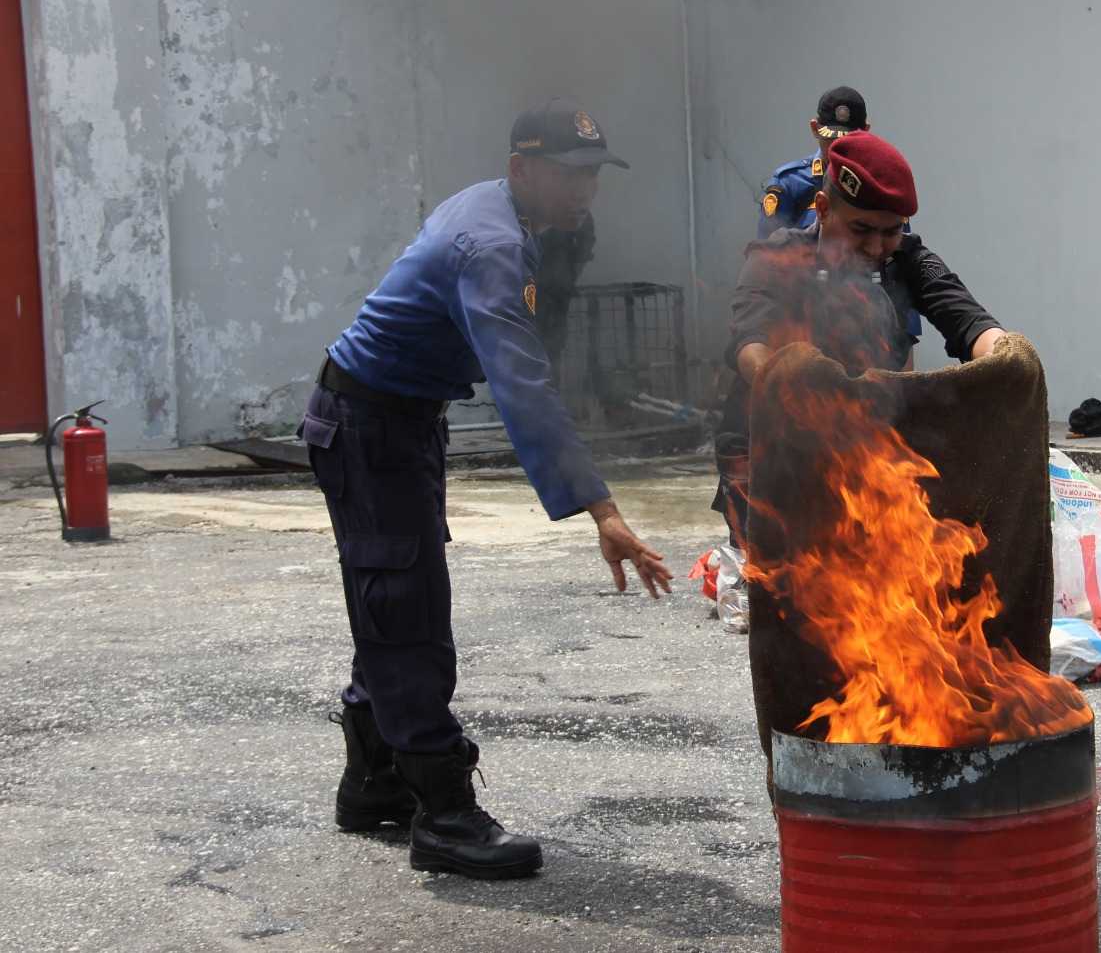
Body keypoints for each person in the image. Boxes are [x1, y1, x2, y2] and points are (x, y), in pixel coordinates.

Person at [299, 98, 674, 881]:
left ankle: (372, 785)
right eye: (569, 176)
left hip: (397, 422)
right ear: (521, 170)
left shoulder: (505, 213)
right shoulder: (492, 245)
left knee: (393, 598)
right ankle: (442, 813)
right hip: (371, 429)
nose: (583, 194)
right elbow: (523, 387)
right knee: (405, 614)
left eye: (594, 178)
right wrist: (601, 509)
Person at [713, 131, 1006, 542]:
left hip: (866, 447)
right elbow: (750, 345)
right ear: (823, 208)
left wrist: (1008, 354)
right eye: (861, 229)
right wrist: (790, 380)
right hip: (772, 453)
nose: (876, 246)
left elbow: (967, 319)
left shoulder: (907, 258)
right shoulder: (776, 259)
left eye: (890, 231)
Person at [755, 85, 870, 239]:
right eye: (831, 137)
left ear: (866, 133)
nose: (838, 146)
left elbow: (900, 249)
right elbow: (766, 253)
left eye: (848, 139)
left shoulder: (879, 182)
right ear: (815, 129)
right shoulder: (789, 183)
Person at [533, 212, 594, 378]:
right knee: (531, 331)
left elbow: (585, 228)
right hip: (531, 276)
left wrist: (580, 260)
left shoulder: (565, 196)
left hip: (560, 277)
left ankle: (550, 381)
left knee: (554, 333)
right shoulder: (526, 198)